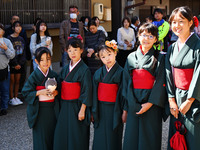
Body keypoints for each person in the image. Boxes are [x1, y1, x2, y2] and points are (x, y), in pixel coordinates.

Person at [123, 23, 167, 150]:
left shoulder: (160, 57)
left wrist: (150, 103)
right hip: (133, 101)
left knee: (149, 137)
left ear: (155, 39)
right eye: (143, 35)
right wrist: (131, 102)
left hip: (151, 103)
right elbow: (127, 82)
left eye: (150, 36)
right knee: (132, 136)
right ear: (138, 36)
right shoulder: (131, 57)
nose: (146, 38)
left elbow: (160, 82)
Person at [166, 6, 200, 150]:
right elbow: (168, 74)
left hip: (194, 98)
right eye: (173, 22)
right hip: (176, 96)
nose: (176, 25)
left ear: (191, 22)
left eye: (181, 21)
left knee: (192, 137)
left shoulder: (198, 45)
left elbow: (199, 74)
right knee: (177, 138)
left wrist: (190, 100)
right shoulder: (172, 47)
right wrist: (171, 99)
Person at [53, 37, 92, 150]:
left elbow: (87, 90)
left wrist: (82, 109)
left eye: (75, 49)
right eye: (70, 50)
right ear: (66, 51)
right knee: (63, 133)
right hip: (65, 105)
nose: (72, 53)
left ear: (81, 50)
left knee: (76, 135)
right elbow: (60, 86)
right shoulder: (65, 69)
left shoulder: (85, 69)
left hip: (77, 106)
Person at [92, 40, 128, 150]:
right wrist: (93, 110)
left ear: (115, 53)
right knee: (100, 136)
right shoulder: (98, 73)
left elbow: (125, 93)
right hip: (100, 108)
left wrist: (124, 111)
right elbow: (93, 93)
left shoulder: (121, 72)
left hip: (115, 108)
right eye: (103, 57)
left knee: (114, 136)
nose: (107, 58)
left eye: (109, 54)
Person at [22, 47, 58, 150]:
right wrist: (38, 92)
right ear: (36, 61)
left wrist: (56, 92)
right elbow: (25, 92)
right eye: (42, 60)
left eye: (48, 59)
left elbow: (60, 91)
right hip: (40, 111)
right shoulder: (34, 76)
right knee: (41, 139)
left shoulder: (53, 75)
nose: (45, 62)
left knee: (53, 137)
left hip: (52, 110)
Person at [7, 21, 26, 106]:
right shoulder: (9, 38)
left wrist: (20, 63)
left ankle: (16, 97)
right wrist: (15, 63)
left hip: (20, 63)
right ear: (13, 28)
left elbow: (23, 52)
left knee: (18, 80)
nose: (18, 28)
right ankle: (11, 98)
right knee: (12, 81)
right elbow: (9, 52)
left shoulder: (21, 38)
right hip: (12, 63)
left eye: (20, 26)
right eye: (17, 26)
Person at [0, 23, 15, 116]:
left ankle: (4, 107)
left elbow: (12, 55)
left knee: (4, 90)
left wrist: (6, 49)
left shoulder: (7, 41)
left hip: (5, 69)